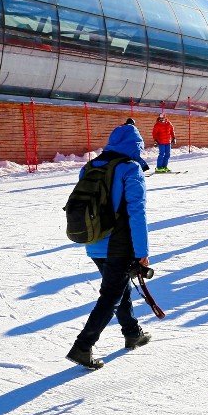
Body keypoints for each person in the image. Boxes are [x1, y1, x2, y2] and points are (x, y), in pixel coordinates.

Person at [66, 123, 153, 370]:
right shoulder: (130, 168)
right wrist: (142, 251)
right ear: (136, 146)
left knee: (118, 286)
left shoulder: (91, 166)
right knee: (111, 295)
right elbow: (137, 212)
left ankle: (132, 333)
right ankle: (83, 347)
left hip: (93, 241)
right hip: (119, 243)